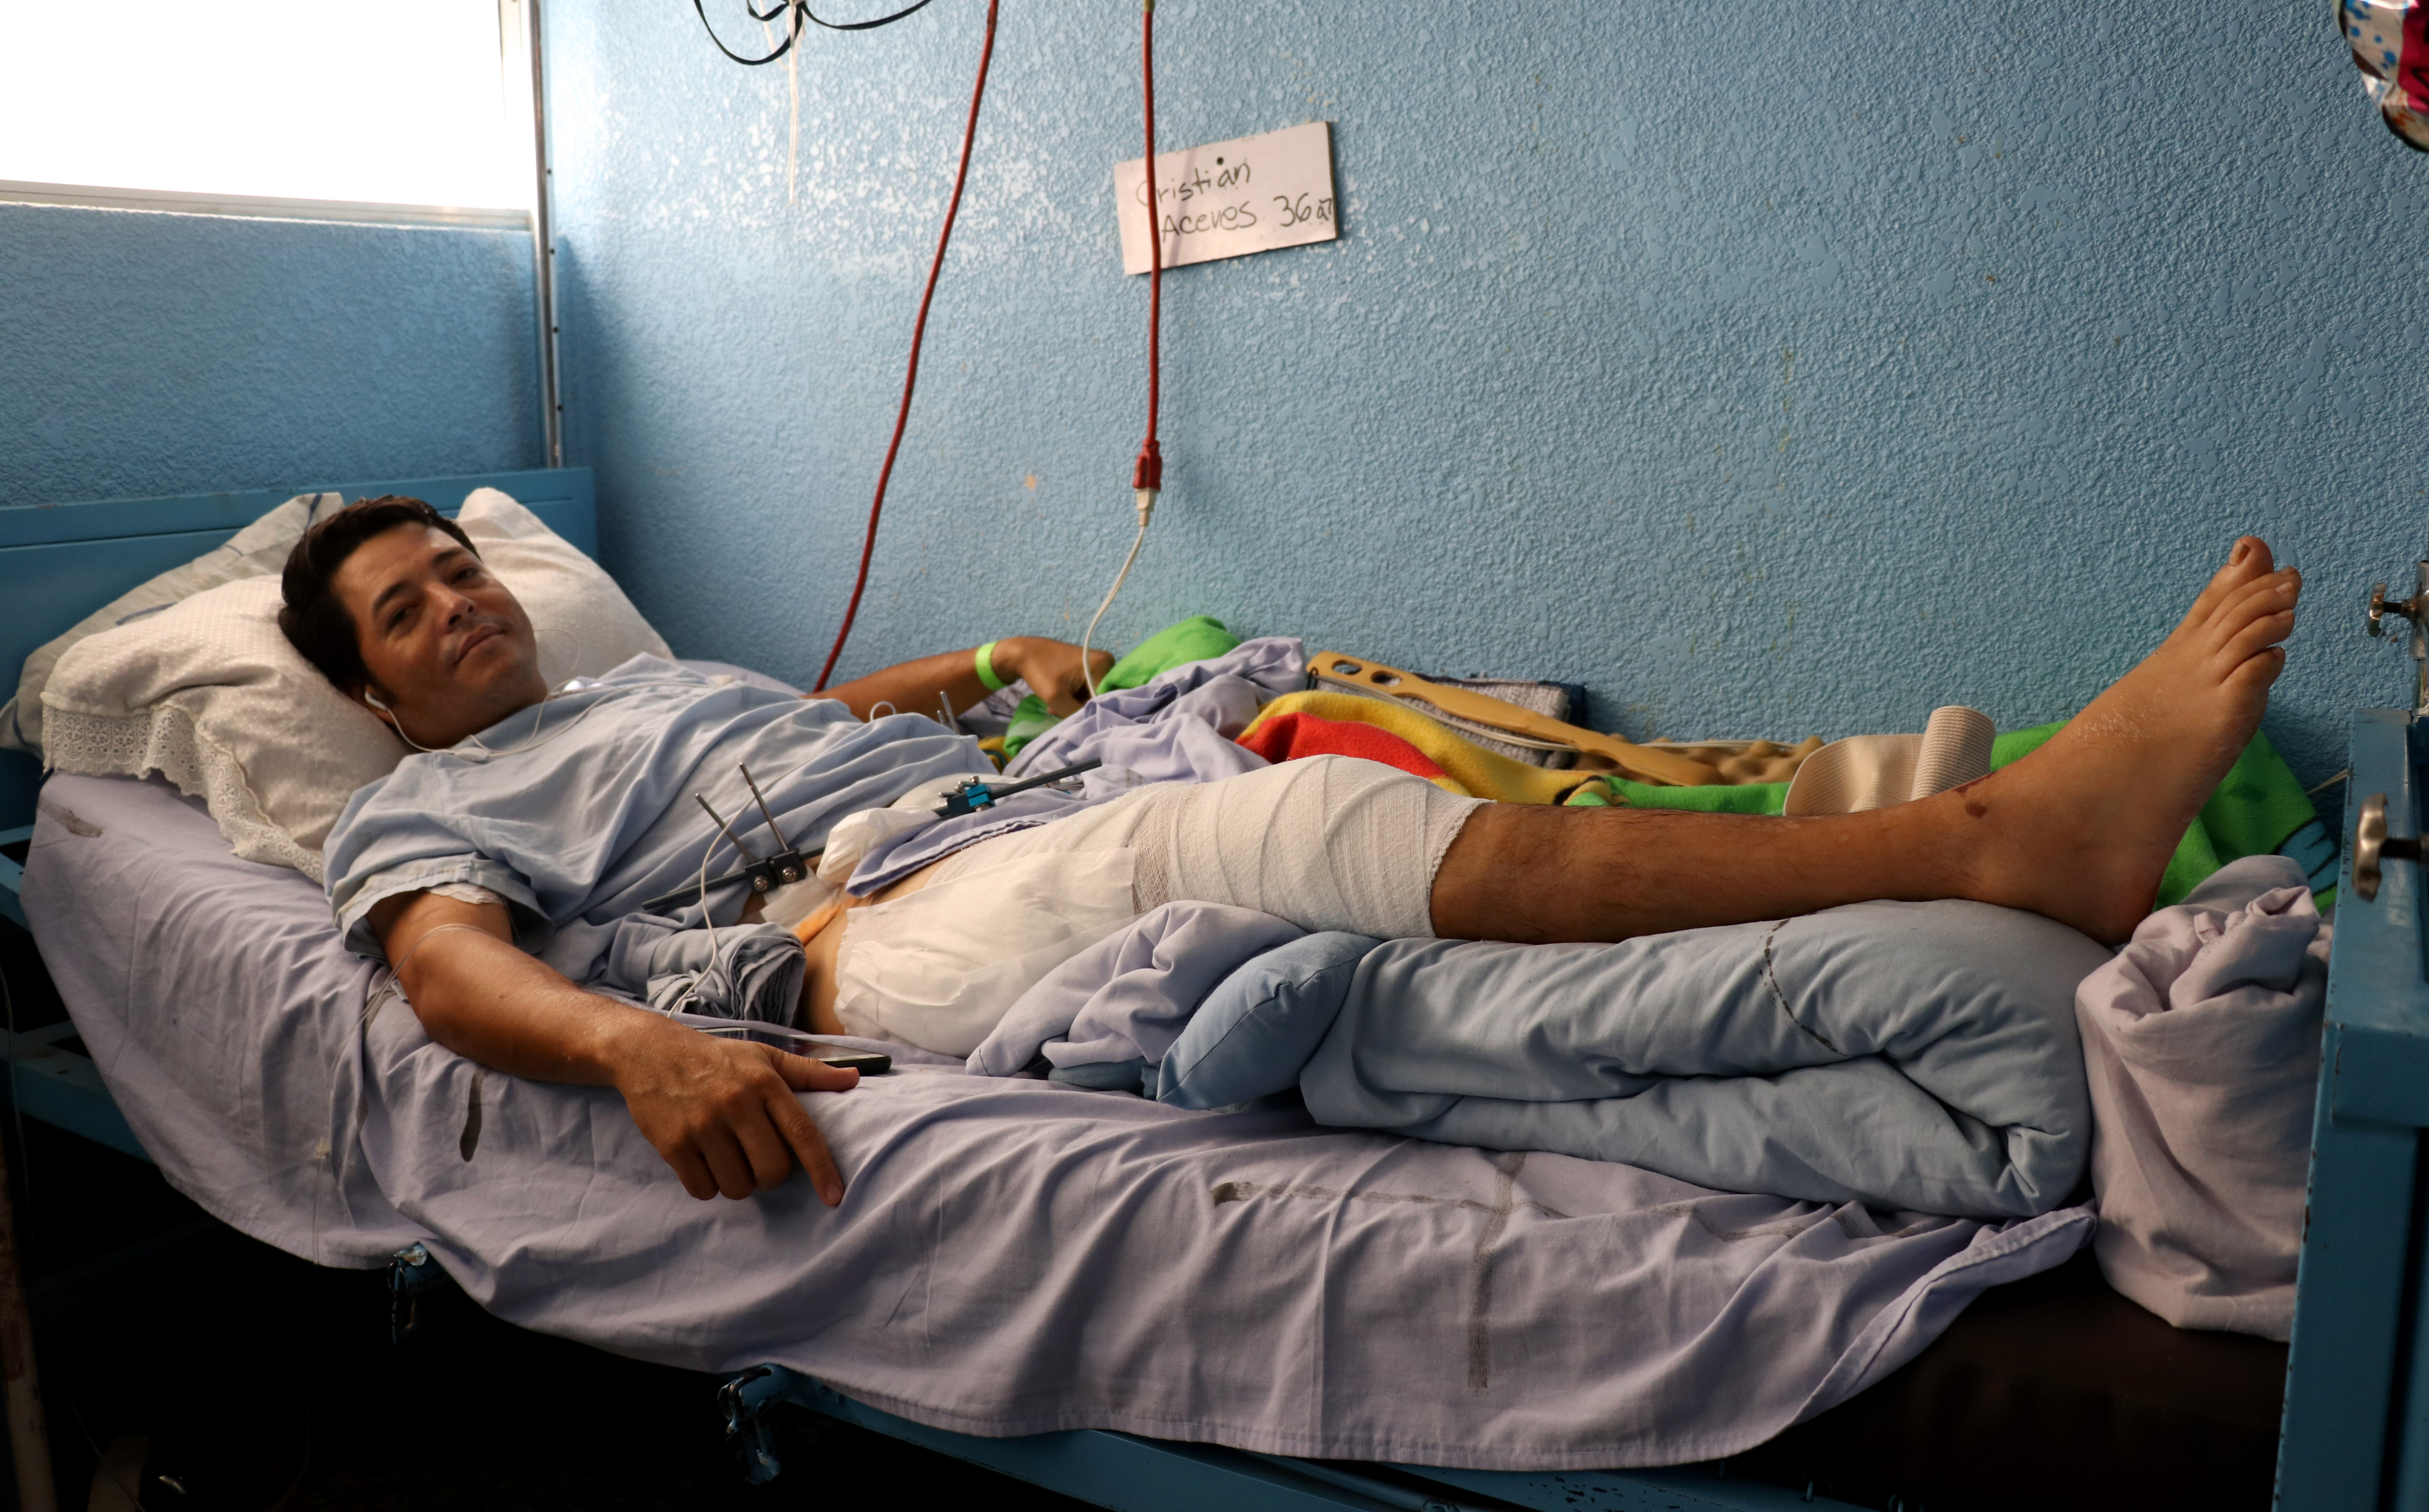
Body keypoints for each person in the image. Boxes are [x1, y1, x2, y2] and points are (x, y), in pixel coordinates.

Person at [284, 497, 2302, 1207]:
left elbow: (836, 715)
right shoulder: (418, 809)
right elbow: (448, 968)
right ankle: (1996, 844)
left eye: (461, 567)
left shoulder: (645, 690)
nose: (460, 602)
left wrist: (985, 662)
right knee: (1309, 817)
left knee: (1361, 742)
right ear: (375, 695)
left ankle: (1920, 820)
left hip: (973, 816)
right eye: (406, 610)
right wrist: (639, 1051)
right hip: (854, 947)